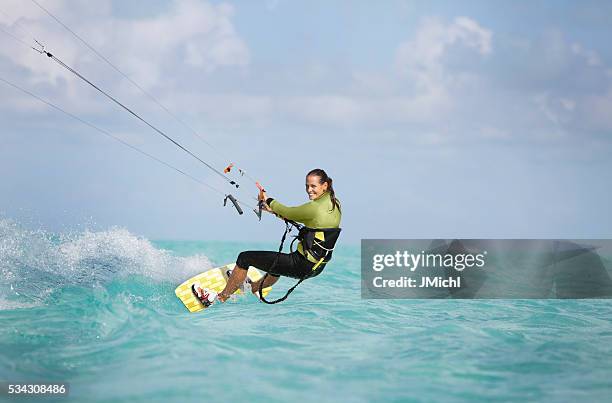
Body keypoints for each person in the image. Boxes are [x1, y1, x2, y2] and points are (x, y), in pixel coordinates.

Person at [196, 168, 342, 304]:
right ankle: (254, 287)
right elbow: (301, 218)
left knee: (244, 258)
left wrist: (268, 200)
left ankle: (219, 297)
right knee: (278, 263)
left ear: (325, 185)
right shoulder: (335, 204)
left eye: (313, 186)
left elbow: (289, 212)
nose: (309, 190)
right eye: (307, 186)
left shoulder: (314, 208)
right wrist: (272, 211)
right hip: (317, 267)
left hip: (302, 265)